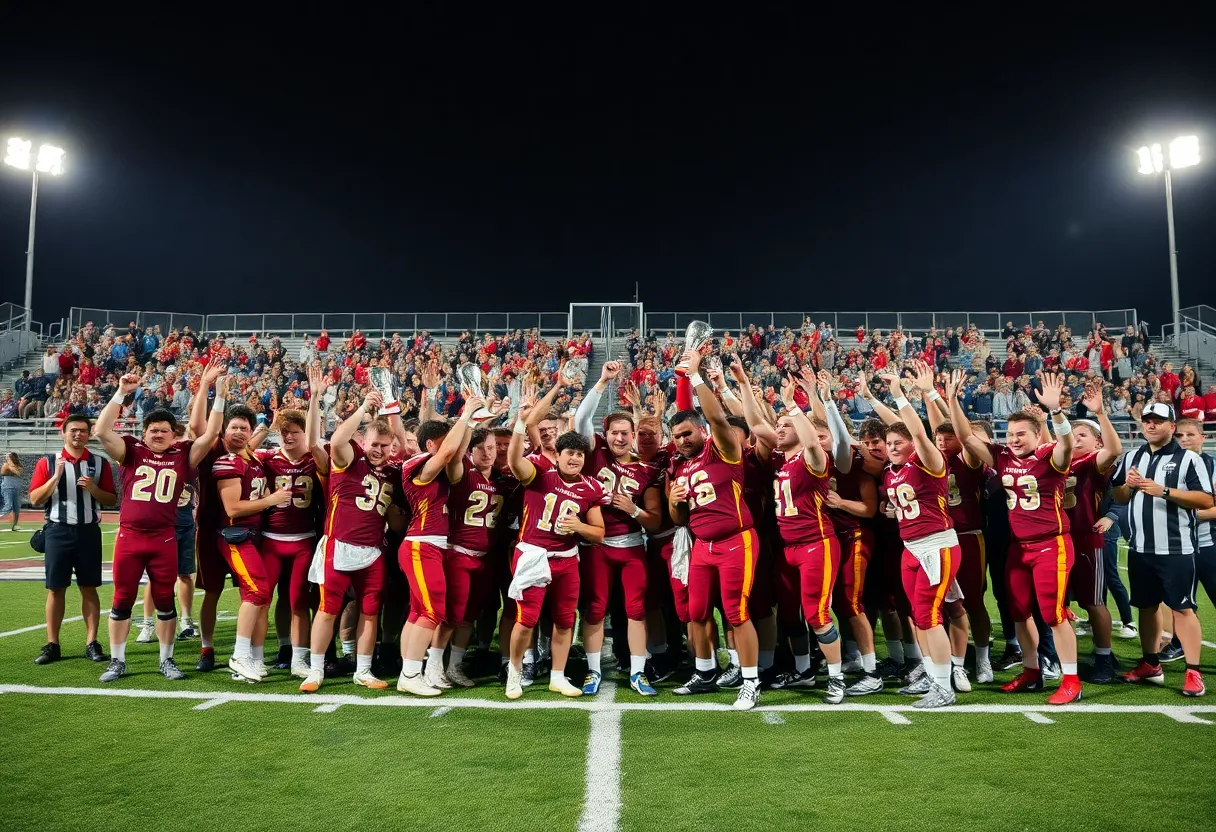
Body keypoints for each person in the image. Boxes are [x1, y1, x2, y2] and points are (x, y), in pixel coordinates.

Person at [949, 371, 1084, 705]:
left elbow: (1066, 444)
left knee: (1053, 614)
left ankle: (1071, 679)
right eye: (1010, 433)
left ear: (1038, 435)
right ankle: (1031, 669)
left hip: (1051, 543)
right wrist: (950, 400)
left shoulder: (1051, 455)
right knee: (1018, 611)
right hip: (1017, 546)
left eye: (1021, 434)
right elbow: (966, 438)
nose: (1014, 439)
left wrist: (1056, 412)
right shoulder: (1002, 457)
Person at [92, 373, 224, 682]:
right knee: (122, 599)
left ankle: (167, 660)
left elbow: (211, 434)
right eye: (153, 430)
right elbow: (100, 430)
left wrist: (218, 395)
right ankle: (117, 660)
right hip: (130, 537)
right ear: (144, 432)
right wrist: (121, 393)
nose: (159, 435)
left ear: (173, 434)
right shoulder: (132, 451)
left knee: (165, 600)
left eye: (165, 431)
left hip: (164, 538)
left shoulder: (183, 455)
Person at [668, 348, 763, 710]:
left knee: (737, 614)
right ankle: (705, 672)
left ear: (701, 430)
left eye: (687, 433)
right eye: (676, 436)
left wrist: (694, 377)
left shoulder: (721, 448)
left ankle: (750, 681)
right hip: (702, 546)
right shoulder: (682, 467)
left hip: (736, 540)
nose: (681, 440)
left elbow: (719, 421)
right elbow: (680, 521)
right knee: (697, 613)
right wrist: (676, 502)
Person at [866, 367, 965, 708]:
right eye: (889, 443)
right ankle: (930, 674)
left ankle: (943, 686)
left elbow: (920, 436)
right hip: (912, 547)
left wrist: (900, 394)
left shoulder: (927, 460)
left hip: (936, 545)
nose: (892, 448)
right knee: (916, 615)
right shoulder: (893, 472)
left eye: (898, 443)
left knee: (928, 615)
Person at [505, 381, 606, 699]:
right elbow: (513, 461)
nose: (575, 458)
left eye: (579, 453)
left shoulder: (590, 487)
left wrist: (578, 526)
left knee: (565, 619)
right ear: (558, 456)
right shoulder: (539, 474)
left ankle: (558, 676)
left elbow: (599, 534)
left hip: (567, 559)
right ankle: (515, 672)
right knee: (527, 619)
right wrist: (521, 424)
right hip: (534, 554)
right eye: (569, 453)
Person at [299, 388, 403, 693]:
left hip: (373, 550)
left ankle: (363, 669)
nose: (379, 450)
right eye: (374, 444)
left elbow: (395, 519)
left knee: (371, 612)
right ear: (364, 442)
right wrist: (362, 408)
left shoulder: (393, 473)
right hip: (340, 545)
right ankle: (315, 670)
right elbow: (339, 439)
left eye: (385, 446)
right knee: (327, 608)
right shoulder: (349, 459)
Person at [573, 361, 664, 697]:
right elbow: (581, 419)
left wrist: (634, 509)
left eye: (626, 433)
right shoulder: (595, 454)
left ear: (633, 435)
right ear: (606, 434)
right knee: (595, 608)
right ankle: (593, 671)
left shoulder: (645, 471)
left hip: (630, 546)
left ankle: (638, 672)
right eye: (615, 432)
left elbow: (654, 520)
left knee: (636, 609)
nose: (621, 437)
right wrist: (601, 382)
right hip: (595, 545)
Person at [1112, 404, 1214, 697]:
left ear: (1171, 426)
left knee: (1182, 608)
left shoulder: (1189, 460)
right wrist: (1127, 485)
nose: (1152, 425)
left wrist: (1164, 491)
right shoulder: (1132, 456)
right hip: (1140, 547)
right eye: (1147, 421)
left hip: (1177, 547)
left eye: (1158, 421)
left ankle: (1193, 672)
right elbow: (1119, 496)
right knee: (1146, 606)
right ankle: (1150, 663)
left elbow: (1206, 500)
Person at [397, 393, 483, 696]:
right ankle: (410, 674)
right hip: (422, 544)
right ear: (431, 444)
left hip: (428, 545)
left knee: (417, 612)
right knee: (433, 611)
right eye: (446, 440)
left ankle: (407, 671)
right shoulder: (415, 464)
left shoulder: (434, 461)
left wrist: (470, 421)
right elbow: (448, 453)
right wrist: (464, 414)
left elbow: (455, 453)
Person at [28, 413, 118, 666]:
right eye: (73, 430)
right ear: (63, 433)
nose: (78, 435)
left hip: (89, 531)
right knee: (56, 588)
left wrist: (93, 489)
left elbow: (111, 499)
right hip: (58, 530)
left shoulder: (99, 463)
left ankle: (92, 642)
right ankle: (52, 643)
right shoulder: (48, 462)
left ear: (89, 434)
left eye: (83, 431)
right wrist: (55, 479)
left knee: (89, 587)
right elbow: (35, 499)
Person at [1062, 384, 1123, 683]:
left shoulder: (1093, 463)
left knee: (1093, 602)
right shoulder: (1058, 460)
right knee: (1057, 605)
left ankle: (1103, 657)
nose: (1075, 439)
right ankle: (1064, 658)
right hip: (1056, 540)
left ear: (1096, 441)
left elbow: (1114, 450)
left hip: (1085, 539)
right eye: (1072, 435)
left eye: (1082, 435)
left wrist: (1099, 412)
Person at [2, 452, 24, 531]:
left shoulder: (18, 466)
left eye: (8, 457)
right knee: (8, 506)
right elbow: (3, 472)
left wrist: (11, 468)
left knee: (16, 508)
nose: (7, 459)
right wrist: (11, 469)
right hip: (7, 487)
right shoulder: (5, 465)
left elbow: (19, 472)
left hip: (16, 488)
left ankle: (14, 526)